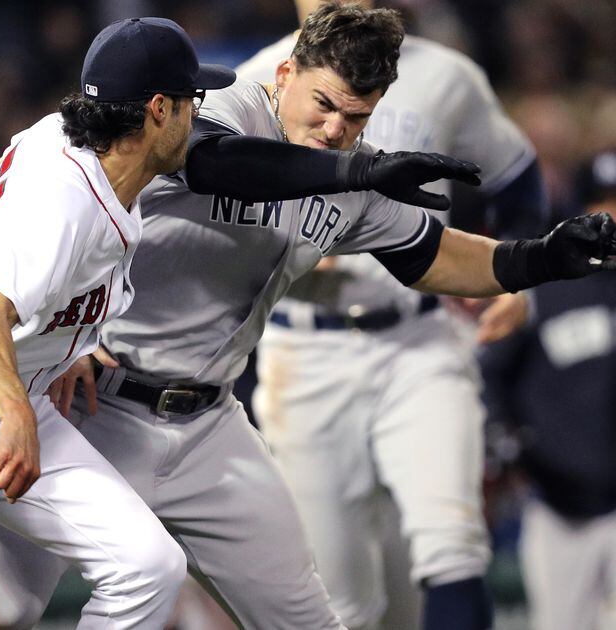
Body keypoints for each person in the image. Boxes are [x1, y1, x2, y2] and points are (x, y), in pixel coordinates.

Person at [0, 4, 616, 629]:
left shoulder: (353, 171)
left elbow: (434, 255)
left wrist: (542, 258)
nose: (337, 128)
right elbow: (219, 165)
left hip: (208, 427)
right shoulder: (220, 106)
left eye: (358, 117)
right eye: (325, 105)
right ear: (285, 73)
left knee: (310, 620)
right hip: (91, 404)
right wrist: (357, 173)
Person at [236, 0, 551, 627]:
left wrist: (521, 284)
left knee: (452, 542)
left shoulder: (445, 76)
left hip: (418, 337)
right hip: (306, 351)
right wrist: (286, 251)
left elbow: (517, 179)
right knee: (341, 601)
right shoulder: (256, 79)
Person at [480, 151, 616, 630]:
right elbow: (491, 372)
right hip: (555, 496)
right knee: (560, 623)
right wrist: (504, 441)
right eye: (602, 202)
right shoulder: (540, 289)